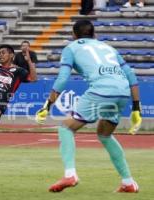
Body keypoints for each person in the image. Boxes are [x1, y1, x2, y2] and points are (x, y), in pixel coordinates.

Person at [35, 20, 142, 193]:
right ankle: (128, 182)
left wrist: (48, 105)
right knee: (105, 135)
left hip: (101, 90)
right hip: (123, 92)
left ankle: (70, 174)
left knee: (65, 128)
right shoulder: (109, 48)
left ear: (74, 35)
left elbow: (62, 79)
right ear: (94, 34)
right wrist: (136, 108)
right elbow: (131, 77)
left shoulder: (71, 47)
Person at [0, 40, 38, 152]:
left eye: (3, 52)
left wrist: (29, 61)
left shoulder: (17, 71)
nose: (0, 55)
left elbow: (33, 79)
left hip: (1, 105)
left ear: (11, 55)